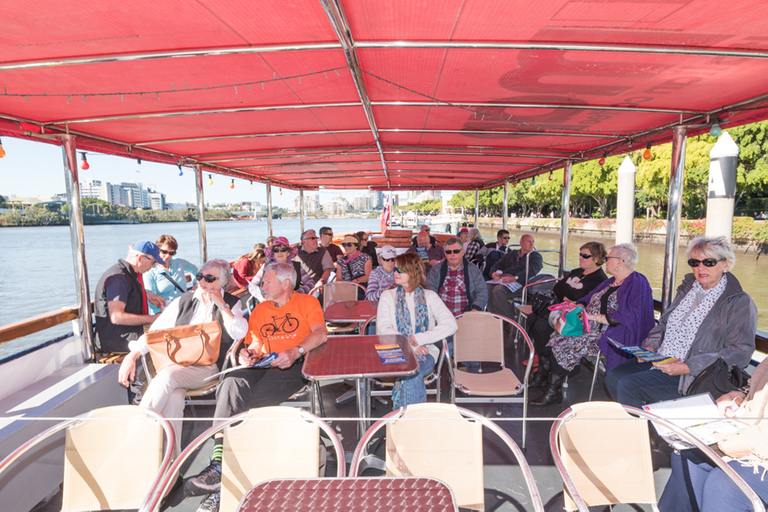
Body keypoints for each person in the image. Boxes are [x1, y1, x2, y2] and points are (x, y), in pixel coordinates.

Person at [184, 263, 327, 509]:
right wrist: (246, 355)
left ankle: (224, 479)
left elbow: (321, 333)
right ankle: (221, 463)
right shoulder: (261, 309)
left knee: (241, 402)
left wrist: (296, 351)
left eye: (267, 282)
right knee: (230, 383)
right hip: (262, 364)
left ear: (286, 284)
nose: (262, 287)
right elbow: (255, 343)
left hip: (294, 366)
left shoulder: (307, 303)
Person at [606, 236, 757, 408]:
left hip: (694, 374)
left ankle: (645, 432)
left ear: (726, 264)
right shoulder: (688, 290)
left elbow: (740, 351)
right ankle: (645, 425)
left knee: (628, 386)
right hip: (663, 359)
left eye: (709, 262)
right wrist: (650, 347)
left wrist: (687, 366)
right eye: (694, 262)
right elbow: (664, 324)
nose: (700, 267)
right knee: (613, 376)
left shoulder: (738, 302)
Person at [117, 259, 247, 455]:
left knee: (168, 376)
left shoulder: (231, 303)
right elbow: (155, 332)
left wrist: (221, 305)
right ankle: (171, 464)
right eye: (200, 277)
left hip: (211, 367)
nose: (203, 281)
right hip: (179, 364)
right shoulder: (184, 301)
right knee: (175, 397)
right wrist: (132, 355)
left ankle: (134, 434)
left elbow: (239, 332)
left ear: (222, 283)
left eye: (210, 278)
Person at [529, 243, 655, 406]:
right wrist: (580, 306)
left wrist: (593, 317)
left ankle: (553, 391)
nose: (605, 260)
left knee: (564, 342)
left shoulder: (637, 282)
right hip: (590, 324)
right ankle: (547, 381)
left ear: (620, 262)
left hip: (610, 331)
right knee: (552, 334)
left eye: (608, 258)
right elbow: (588, 297)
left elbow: (628, 316)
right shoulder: (612, 281)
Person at [658, 357, 768, 512]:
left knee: (724, 485)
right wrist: (737, 396)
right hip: (755, 427)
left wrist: (752, 443)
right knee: (688, 455)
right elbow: (755, 388)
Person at [377, 253, 457, 408]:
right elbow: (384, 329)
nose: (395, 273)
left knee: (412, 371)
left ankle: (407, 419)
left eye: (400, 270)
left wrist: (422, 338)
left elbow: (451, 324)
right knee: (411, 371)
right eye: (395, 269)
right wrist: (412, 346)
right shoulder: (387, 296)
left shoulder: (430, 296)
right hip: (392, 351)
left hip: (426, 352)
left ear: (413, 272)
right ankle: (414, 420)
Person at [527, 242, 609, 389]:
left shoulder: (599, 279)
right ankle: (544, 367)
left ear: (597, 259)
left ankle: (546, 370)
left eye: (585, 255)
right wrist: (569, 295)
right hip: (561, 310)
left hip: (574, 318)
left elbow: (579, 296)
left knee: (541, 325)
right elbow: (558, 288)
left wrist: (569, 294)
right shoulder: (577, 271)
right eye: (580, 254)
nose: (580, 258)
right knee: (533, 319)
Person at [94, 240, 164, 353]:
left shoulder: (128, 274)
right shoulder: (118, 278)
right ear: (140, 258)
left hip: (127, 334)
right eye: (153, 262)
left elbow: (127, 292)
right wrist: (152, 319)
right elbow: (117, 317)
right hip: (118, 341)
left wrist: (147, 296)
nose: (153, 267)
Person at [486, 234, 543, 320]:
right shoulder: (511, 254)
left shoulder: (535, 256)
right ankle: (494, 317)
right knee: (486, 287)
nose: (532, 244)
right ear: (521, 243)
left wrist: (514, 278)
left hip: (521, 284)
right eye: (529, 242)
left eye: (533, 242)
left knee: (498, 290)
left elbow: (532, 270)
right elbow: (496, 266)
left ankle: (508, 322)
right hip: (504, 281)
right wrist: (494, 273)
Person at [426, 237, 487, 314]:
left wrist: (475, 310)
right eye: (448, 252)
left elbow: (482, 292)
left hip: (466, 317)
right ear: (445, 253)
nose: (452, 255)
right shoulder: (436, 270)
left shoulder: (473, 270)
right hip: (441, 316)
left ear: (462, 252)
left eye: (456, 251)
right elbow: (429, 291)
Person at [143, 235, 198, 314]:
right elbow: (152, 303)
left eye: (171, 253)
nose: (167, 256)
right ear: (157, 250)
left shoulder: (179, 263)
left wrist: (195, 283)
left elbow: (194, 269)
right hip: (162, 313)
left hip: (184, 310)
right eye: (164, 252)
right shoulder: (150, 271)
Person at [248, 237, 314, 303]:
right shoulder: (265, 267)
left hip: (291, 304)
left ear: (288, 252)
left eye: (283, 249)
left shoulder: (297, 267)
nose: (279, 252)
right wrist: (260, 297)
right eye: (276, 250)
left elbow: (310, 282)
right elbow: (251, 286)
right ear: (273, 253)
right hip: (269, 305)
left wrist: (297, 293)